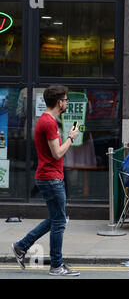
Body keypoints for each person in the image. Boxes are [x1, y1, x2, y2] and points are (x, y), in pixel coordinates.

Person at [11, 85, 80, 276]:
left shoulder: (46, 120)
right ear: (59, 102)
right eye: (65, 100)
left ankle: (21, 246)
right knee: (59, 221)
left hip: (49, 176)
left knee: (57, 218)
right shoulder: (48, 123)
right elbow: (57, 153)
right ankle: (56, 265)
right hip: (51, 178)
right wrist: (71, 138)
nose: (66, 103)